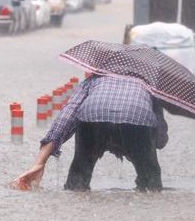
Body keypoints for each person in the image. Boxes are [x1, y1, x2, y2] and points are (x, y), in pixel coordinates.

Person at [13, 74, 168, 192]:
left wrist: (40, 161)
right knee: (151, 183)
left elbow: (67, 116)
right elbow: (160, 139)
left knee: (78, 182)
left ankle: (76, 189)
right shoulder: (150, 85)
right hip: (136, 120)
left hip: (92, 119)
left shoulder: (93, 80)